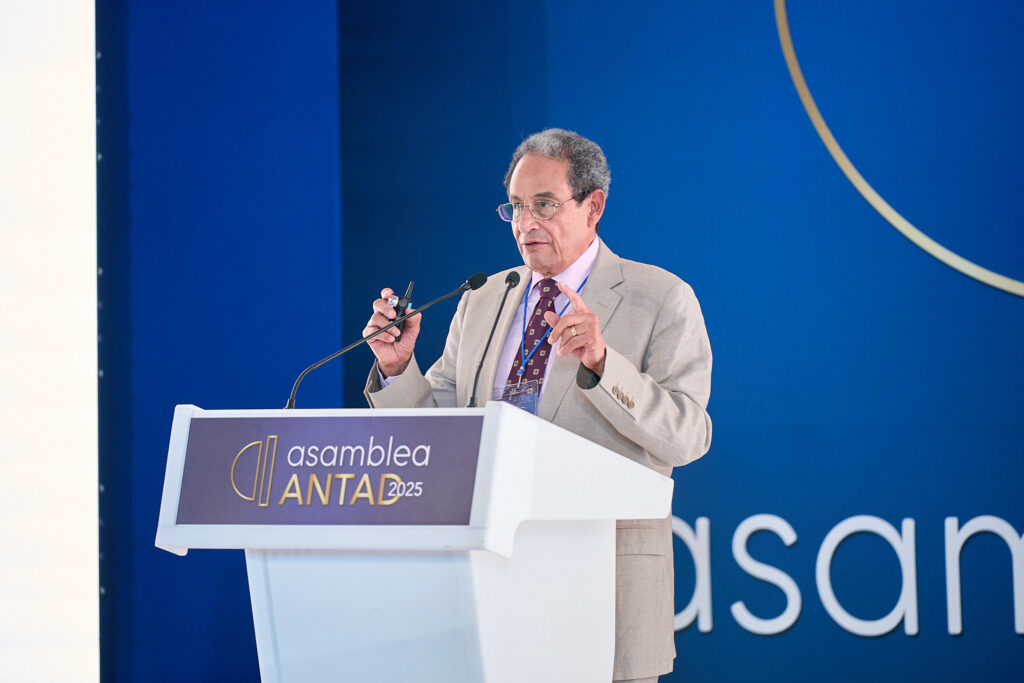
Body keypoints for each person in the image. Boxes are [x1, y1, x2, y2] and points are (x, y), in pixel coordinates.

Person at [363, 128, 712, 683]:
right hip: (491, 580)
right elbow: (438, 437)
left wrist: (603, 364)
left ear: (593, 206)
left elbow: (687, 435)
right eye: (516, 207)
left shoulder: (660, 297)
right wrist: (399, 368)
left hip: (603, 585)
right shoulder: (484, 297)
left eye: (545, 204)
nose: (526, 223)